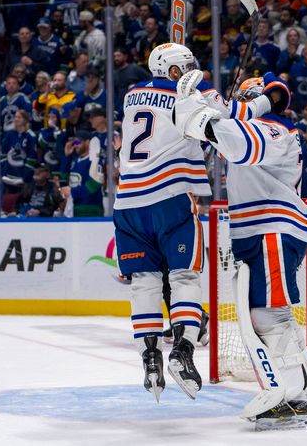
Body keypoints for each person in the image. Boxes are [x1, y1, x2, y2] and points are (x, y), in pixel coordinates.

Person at [113, 43, 282, 404]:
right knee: (184, 277)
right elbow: (241, 115)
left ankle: (151, 358)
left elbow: (168, 129)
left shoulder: (131, 96)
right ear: (176, 71)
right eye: (187, 65)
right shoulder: (195, 90)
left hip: (127, 201)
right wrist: (272, 95)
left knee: (144, 281)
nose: (193, 69)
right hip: (171, 197)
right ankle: (183, 353)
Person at [173, 69, 307, 429]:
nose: (239, 101)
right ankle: (303, 391)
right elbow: (227, 127)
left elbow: (236, 139)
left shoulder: (273, 129)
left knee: (270, 317)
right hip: (264, 229)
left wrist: (203, 108)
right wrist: (201, 105)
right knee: (274, 315)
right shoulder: (261, 127)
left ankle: (290, 393)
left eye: (244, 96)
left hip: (272, 228)